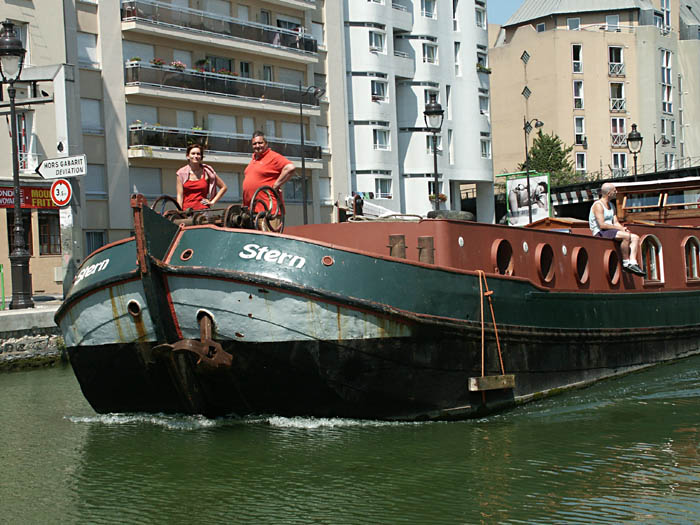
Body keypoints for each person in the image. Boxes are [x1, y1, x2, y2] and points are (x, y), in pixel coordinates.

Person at [589, 182, 644, 275]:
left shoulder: (611, 205)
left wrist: (622, 228)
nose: (616, 192)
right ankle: (626, 263)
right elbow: (602, 225)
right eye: (614, 191)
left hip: (610, 230)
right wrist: (620, 230)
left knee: (635, 237)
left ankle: (633, 262)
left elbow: (615, 222)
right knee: (626, 237)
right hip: (600, 232)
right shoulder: (598, 205)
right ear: (609, 193)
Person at [242, 131, 295, 211]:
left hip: (269, 210)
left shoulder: (272, 156)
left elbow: (290, 168)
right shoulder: (253, 159)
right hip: (252, 210)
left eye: (260, 143)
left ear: (266, 144)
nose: (257, 146)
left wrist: (276, 185)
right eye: (254, 144)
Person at [176, 143, 227, 210]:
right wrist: (179, 211)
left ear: (201, 157)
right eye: (193, 153)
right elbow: (180, 196)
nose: (196, 156)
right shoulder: (181, 173)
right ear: (188, 156)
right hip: (187, 211)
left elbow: (224, 187)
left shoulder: (207, 171)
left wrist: (212, 202)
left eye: (198, 154)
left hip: (203, 211)